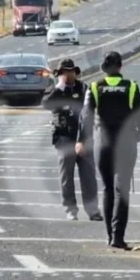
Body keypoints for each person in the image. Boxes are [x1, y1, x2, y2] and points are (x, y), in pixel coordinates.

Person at [78, 52, 140, 249]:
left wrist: (82, 140)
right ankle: (118, 237)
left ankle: (109, 236)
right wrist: (139, 133)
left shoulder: (95, 87)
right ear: (120, 67)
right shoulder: (131, 87)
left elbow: (86, 116)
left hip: (103, 144)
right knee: (121, 190)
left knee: (107, 189)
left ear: (104, 68)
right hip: (126, 144)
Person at [42, 59, 102, 222]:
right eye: (64, 72)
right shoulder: (54, 90)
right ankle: (70, 210)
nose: (68, 74)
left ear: (75, 72)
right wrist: (60, 87)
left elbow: (92, 110)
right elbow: (46, 104)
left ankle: (93, 210)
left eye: (71, 71)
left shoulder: (84, 89)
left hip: (84, 137)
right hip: (64, 137)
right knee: (66, 177)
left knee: (89, 177)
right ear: (60, 74)